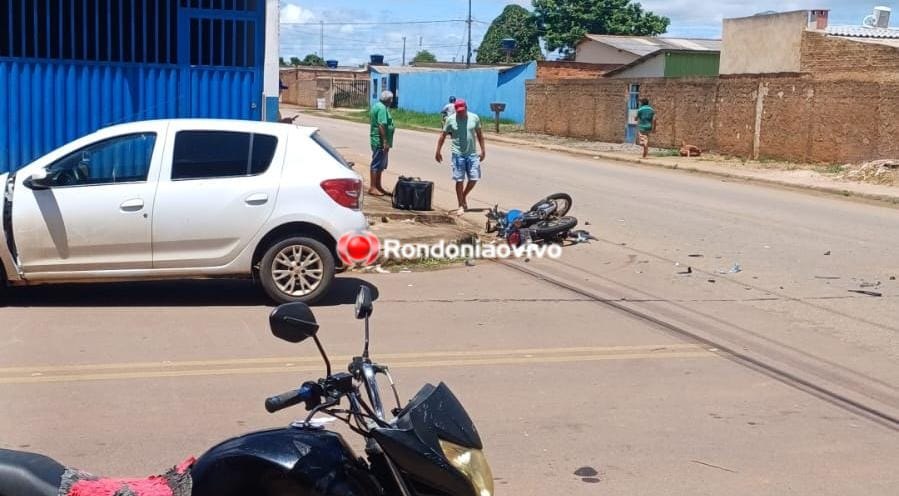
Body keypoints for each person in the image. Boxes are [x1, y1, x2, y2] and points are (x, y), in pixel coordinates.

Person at [434, 99, 485, 215]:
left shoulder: (474, 118)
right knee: (459, 179)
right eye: (458, 111)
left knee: (474, 178)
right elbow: (443, 135)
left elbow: (480, 135)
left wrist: (483, 151)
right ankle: (460, 204)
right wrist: (438, 151)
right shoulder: (450, 120)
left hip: (472, 154)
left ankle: (464, 195)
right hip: (458, 154)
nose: (460, 113)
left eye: (462, 111)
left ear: (466, 108)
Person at [369, 90, 396, 196]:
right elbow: (381, 125)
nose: (392, 101)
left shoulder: (379, 106)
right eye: (391, 99)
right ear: (388, 100)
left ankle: (378, 186)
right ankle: (373, 187)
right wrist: (385, 141)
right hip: (379, 141)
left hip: (380, 140)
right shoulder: (381, 108)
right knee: (376, 163)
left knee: (380, 165)